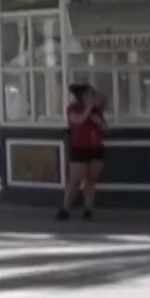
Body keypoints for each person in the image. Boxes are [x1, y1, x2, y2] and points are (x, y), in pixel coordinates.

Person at [61, 84, 108, 220]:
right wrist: (88, 109)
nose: (93, 97)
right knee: (75, 180)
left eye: (93, 94)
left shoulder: (97, 111)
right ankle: (65, 208)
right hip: (79, 147)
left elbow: (106, 129)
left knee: (91, 180)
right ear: (83, 97)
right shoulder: (73, 108)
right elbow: (78, 120)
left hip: (96, 147)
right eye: (90, 95)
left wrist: (99, 122)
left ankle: (88, 210)